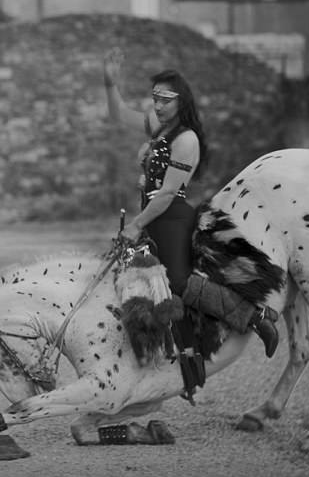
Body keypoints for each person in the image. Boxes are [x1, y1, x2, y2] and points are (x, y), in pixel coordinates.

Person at [102, 47, 279, 359]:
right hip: (154, 215)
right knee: (136, 276)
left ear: (181, 101)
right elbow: (119, 114)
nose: (157, 105)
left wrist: (136, 223)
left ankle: (256, 318)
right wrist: (109, 84)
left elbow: (168, 193)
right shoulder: (160, 128)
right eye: (155, 98)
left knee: (179, 283)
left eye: (165, 100)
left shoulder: (186, 140)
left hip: (171, 217)